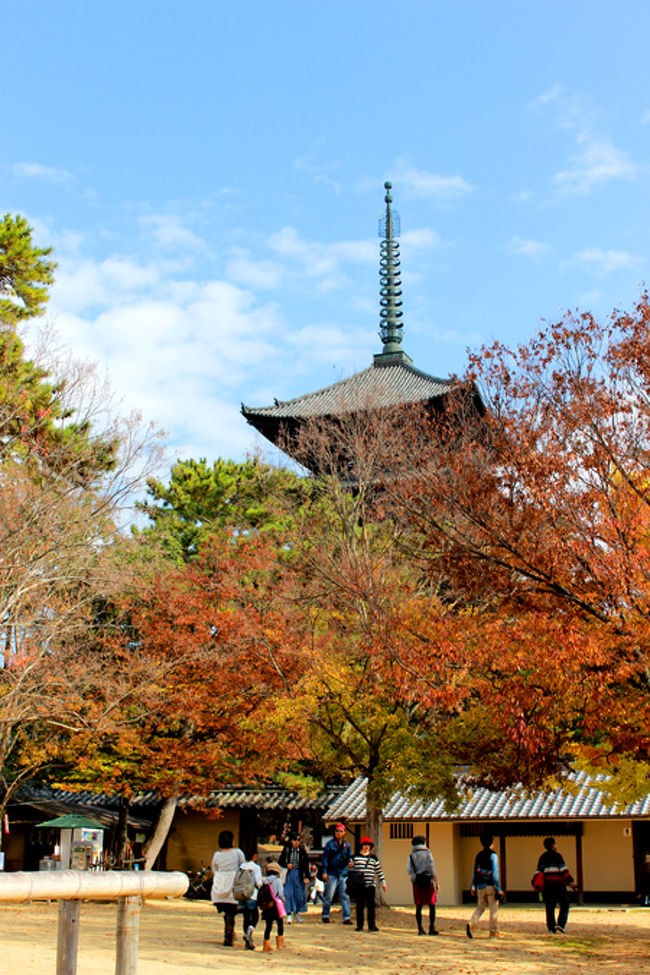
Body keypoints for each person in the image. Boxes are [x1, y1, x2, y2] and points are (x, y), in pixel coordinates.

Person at [534, 837, 578, 934]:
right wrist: (571, 882)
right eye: (555, 844)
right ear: (553, 845)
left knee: (550, 907)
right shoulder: (558, 856)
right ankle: (561, 924)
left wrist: (535, 883)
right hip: (559, 885)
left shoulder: (542, 857)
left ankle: (551, 928)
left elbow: (538, 872)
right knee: (565, 903)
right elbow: (564, 871)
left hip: (547, 886)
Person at [210, 829, 245, 947]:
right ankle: (229, 934)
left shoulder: (217, 855)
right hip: (233, 884)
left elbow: (214, 869)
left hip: (220, 884)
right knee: (232, 911)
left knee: (227, 911)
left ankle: (229, 932)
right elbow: (243, 867)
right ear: (232, 842)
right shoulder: (237, 853)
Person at [466, 833, 503, 939]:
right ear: (492, 843)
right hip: (491, 885)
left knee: (480, 907)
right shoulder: (493, 855)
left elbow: (475, 871)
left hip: (480, 886)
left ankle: (472, 923)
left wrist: (473, 886)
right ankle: (493, 931)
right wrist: (498, 888)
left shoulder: (478, 855)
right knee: (493, 909)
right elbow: (495, 873)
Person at [350, 836, 386, 932]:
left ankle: (372, 925)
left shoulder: (374, 858)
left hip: (370, 885)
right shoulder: (355, 857)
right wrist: (350, 865)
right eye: (365, 844)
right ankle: (360, 925)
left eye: (368, 845)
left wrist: (383, 881)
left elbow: (378, 871)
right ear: (361, 845)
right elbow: (350, 869)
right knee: (360, 906)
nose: (367, 847)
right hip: (359, 885)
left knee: (371, 906)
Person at [407, 835, 439, 935]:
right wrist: (436, 881)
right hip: (428, 880)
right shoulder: (428, 853)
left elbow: (409, 869)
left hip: (417, 881)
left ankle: (420, 929)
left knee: (419, 905)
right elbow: (431, 866)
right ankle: (431, 927)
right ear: (424, 843)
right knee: (432, 905)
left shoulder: (411, 855)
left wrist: (414, 876)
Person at [321, 822, 353, 924]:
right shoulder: (330, 844)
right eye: (337, 831)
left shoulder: (346, 845)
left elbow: (350, 857)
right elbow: (325, 859)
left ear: (344, 833)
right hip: (332, 872)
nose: (338, 833)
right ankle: (325, 914)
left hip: (343, 873)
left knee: (345, 895)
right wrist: (324, 872)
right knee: (329, 895)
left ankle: (346, 917)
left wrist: (351, 862)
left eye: (340, 831)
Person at [234, 846, 263, 950]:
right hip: (252, 894)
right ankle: (249, 933)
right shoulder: (255, 867)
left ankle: (247, 940)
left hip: (241, 895)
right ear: (254, 856)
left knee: (246, 916)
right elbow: (258, 882)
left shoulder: (241, 867)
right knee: (254, 916)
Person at [279, 831, 310, 923]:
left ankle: (296, 912)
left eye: (298, 840)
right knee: (288, 893)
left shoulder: (302, 851)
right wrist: (287, 865)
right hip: (289, 874)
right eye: (295, 840)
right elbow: (280, 861)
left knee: (299, 894)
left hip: (299, 874)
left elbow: (305, 864)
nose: (297, 842)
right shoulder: (287, 849)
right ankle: (289, 913)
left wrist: (306, 876)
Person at [260, 860, 286, 952]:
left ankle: (266, 944)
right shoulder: (278, 881)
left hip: (267, 906)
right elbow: (280, 894)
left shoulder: (264, 881)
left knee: (268, 926)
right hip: (275, 906)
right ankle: (280, 943)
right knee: (280, 924)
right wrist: (283, 899)